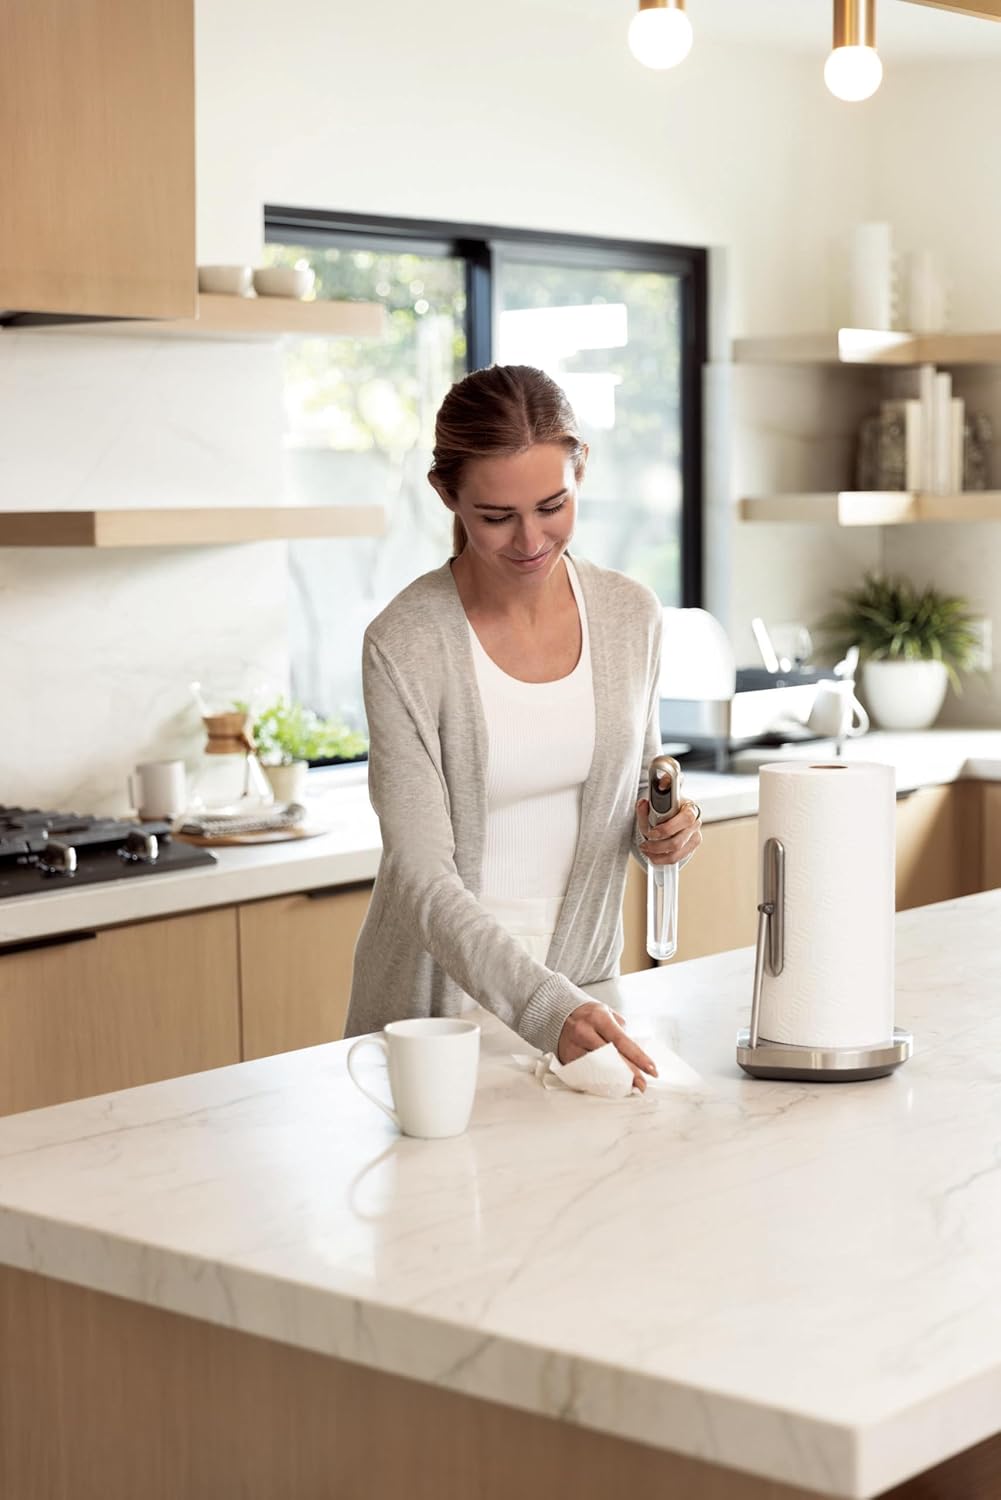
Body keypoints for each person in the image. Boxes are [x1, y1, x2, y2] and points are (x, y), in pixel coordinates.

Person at [345, 364, 702, 1088]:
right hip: (433, 1022)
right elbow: (418, 874)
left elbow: (631, 794)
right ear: (447, 495)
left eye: (552, 505)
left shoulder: (629, 615)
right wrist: (544, 1006)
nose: (530, 540)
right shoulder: (405, 642)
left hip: (584, 1004)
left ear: (581, 472)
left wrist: (665, 832)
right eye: (495, 516)